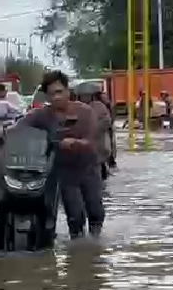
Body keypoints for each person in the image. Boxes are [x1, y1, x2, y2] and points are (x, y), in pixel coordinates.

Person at [21, 70, 111, 238]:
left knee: (96, 211)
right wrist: (1, 134)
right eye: (50, 94)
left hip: (88, 166)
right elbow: (20, 126)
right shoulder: (42, 115)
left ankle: (95, 247)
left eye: (59, 92)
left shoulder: (85, 112)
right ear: (46, 97)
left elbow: (91, 139)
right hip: (64, 171)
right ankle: (77, 248)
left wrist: (75, 143)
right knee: (75, 215)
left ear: (68, 91)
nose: (55, 97)